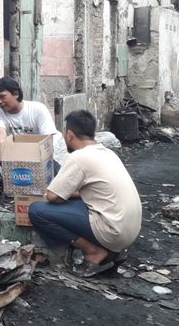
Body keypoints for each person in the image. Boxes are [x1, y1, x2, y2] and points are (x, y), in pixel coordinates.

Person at [28, 110, 142, 277]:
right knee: (70, 199)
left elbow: (53, 196)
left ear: (69, 134)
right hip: (129, 229)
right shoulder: (107, 152)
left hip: (112, 230)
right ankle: (108, 250)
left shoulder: (79, 157)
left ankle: (93, 251)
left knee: (37, 211)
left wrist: (64, 193)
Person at [0, 76, 67, 173]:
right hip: (22, 152)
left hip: (49, 149)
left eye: (2, 96)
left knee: (53, 175)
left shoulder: (38, 109)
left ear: (15, 94)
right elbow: (0, 131)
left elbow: (48, 138)